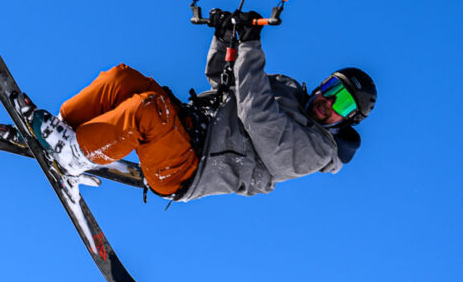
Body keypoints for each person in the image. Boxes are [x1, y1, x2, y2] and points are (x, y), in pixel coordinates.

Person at [30, 10, 376, 200]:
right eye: (332, 88)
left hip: (187, 168)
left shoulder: (315, 151)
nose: (328, 101)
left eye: (342, 103)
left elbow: (256, 117)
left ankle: (74, 156)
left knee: (149, 110)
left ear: (349, 120)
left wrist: (251, 48)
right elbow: (223, 83)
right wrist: (225, 38)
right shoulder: (288, 91)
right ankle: (66, 130)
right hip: (189, 126)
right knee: (122, 79)